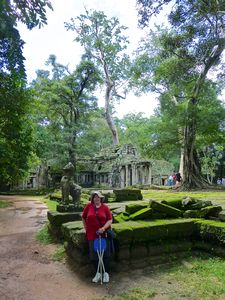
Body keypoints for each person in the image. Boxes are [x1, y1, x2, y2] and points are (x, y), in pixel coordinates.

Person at [82, 191, 113, 283]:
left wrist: (103, 228)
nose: (96, 199)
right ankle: (98, 273)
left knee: (105, 255)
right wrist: (86, 228)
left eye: (98, 197)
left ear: (101, 198)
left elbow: (110, 219)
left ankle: (106, 273)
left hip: (103, 234)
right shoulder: (88, 206)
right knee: (94, 255)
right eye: (95, 197)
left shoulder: (105, 207)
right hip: (92, 234)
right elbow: (83, 217)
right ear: (92, 198)